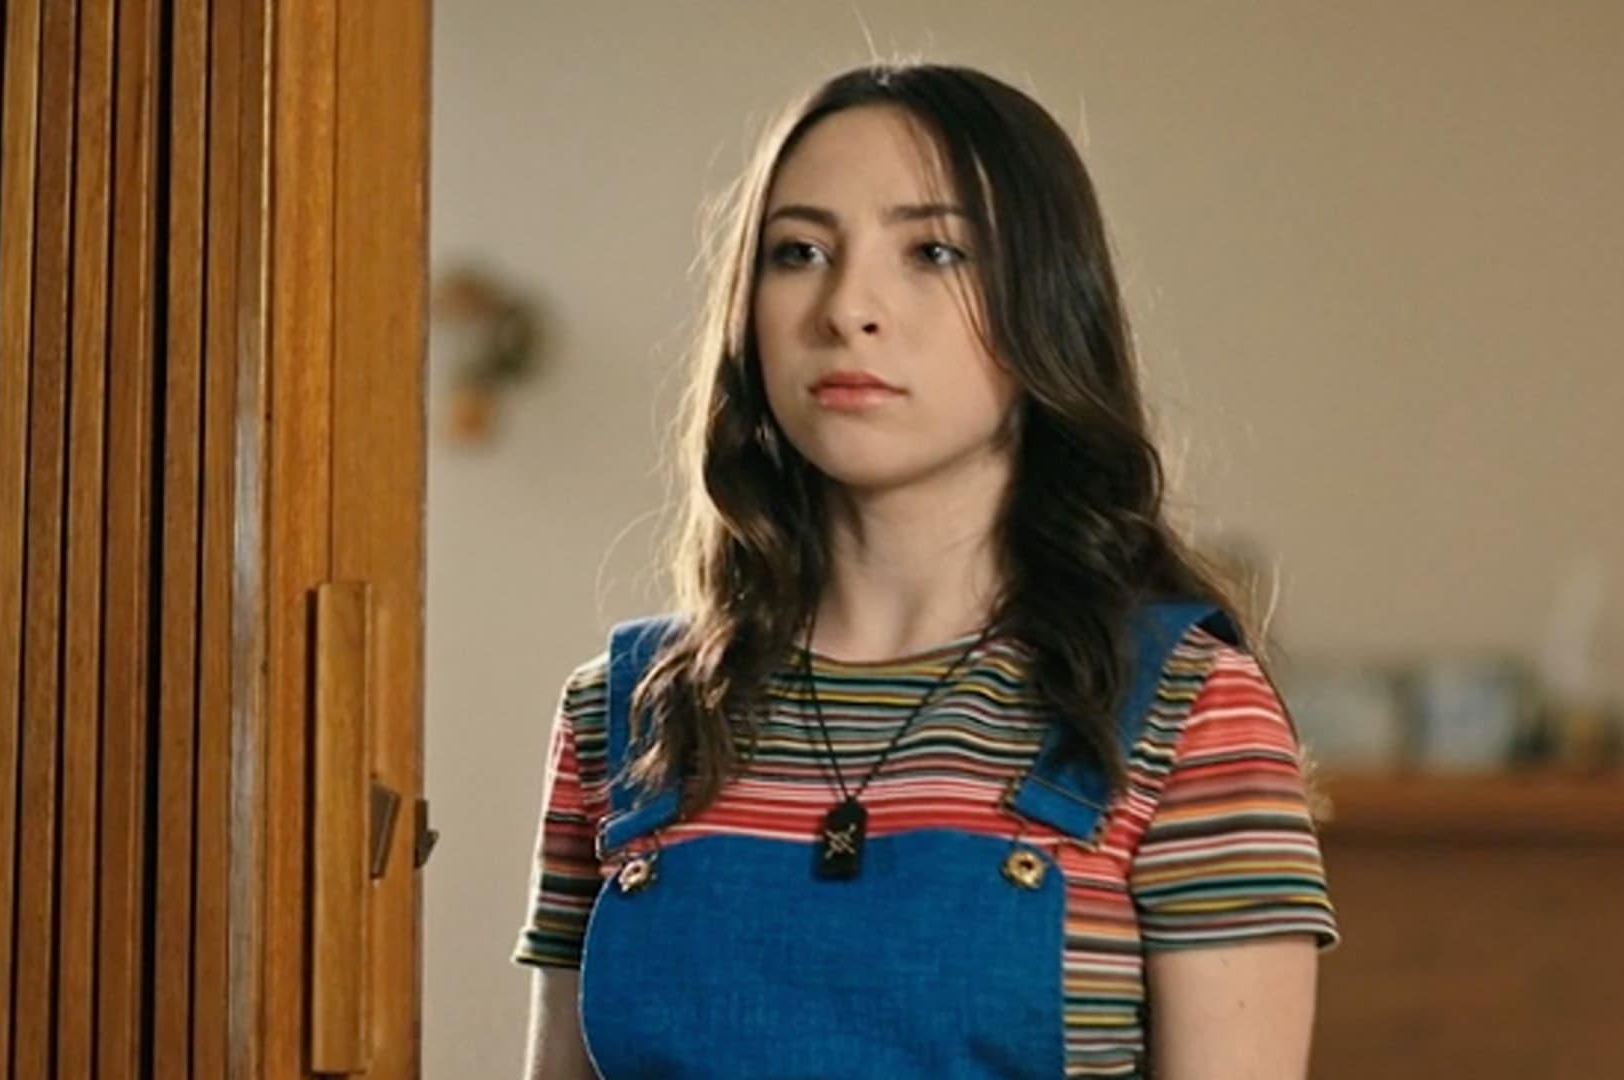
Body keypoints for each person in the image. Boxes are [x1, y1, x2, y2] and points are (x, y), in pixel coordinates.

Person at [514, 61, 1339, 1079]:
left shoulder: (1189, 710)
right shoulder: (626, 714)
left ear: (1047, 306)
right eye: (800, 252)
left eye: (933, 251)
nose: (847, 308)